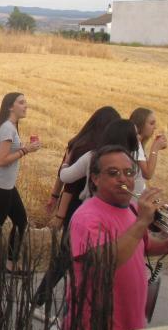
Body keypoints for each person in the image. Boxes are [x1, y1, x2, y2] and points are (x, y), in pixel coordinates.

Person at [40, 145, 168, 330]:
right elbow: (106, 261)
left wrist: (167, 245)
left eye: (129, 172)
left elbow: (140, 245)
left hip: (128, 327)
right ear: (95, 178)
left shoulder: (130, 209)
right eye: (113, 173)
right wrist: (142, 223)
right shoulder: (88, 216)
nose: (123, 179)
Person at [34, 106, 121, 310]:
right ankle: (46, 300)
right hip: (78, 208)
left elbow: (62, 176)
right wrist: (60, 213)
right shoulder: (93, 152)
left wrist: (54, 196)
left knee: (70, 257)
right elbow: (70, 185)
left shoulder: (79, 144)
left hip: (76, 207)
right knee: (69, 256)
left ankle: (46, 299)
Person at [0, 92, 41, 271]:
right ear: (10, 107)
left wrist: (24, 148)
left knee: (21, 221)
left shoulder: (10, 127)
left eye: (25, 102)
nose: (25, 105)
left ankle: (10, 265)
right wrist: (25, 150)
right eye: (21, 102)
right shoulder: (7, 129)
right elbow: (1, 160)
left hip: (5, 186)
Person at [129, 107, 168, 194]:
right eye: (151, 123)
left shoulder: (137, 143)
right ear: (140, 125)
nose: (155, 127)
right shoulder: (135, 144)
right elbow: (147, 174)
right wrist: (155, 149)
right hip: (133, 198)